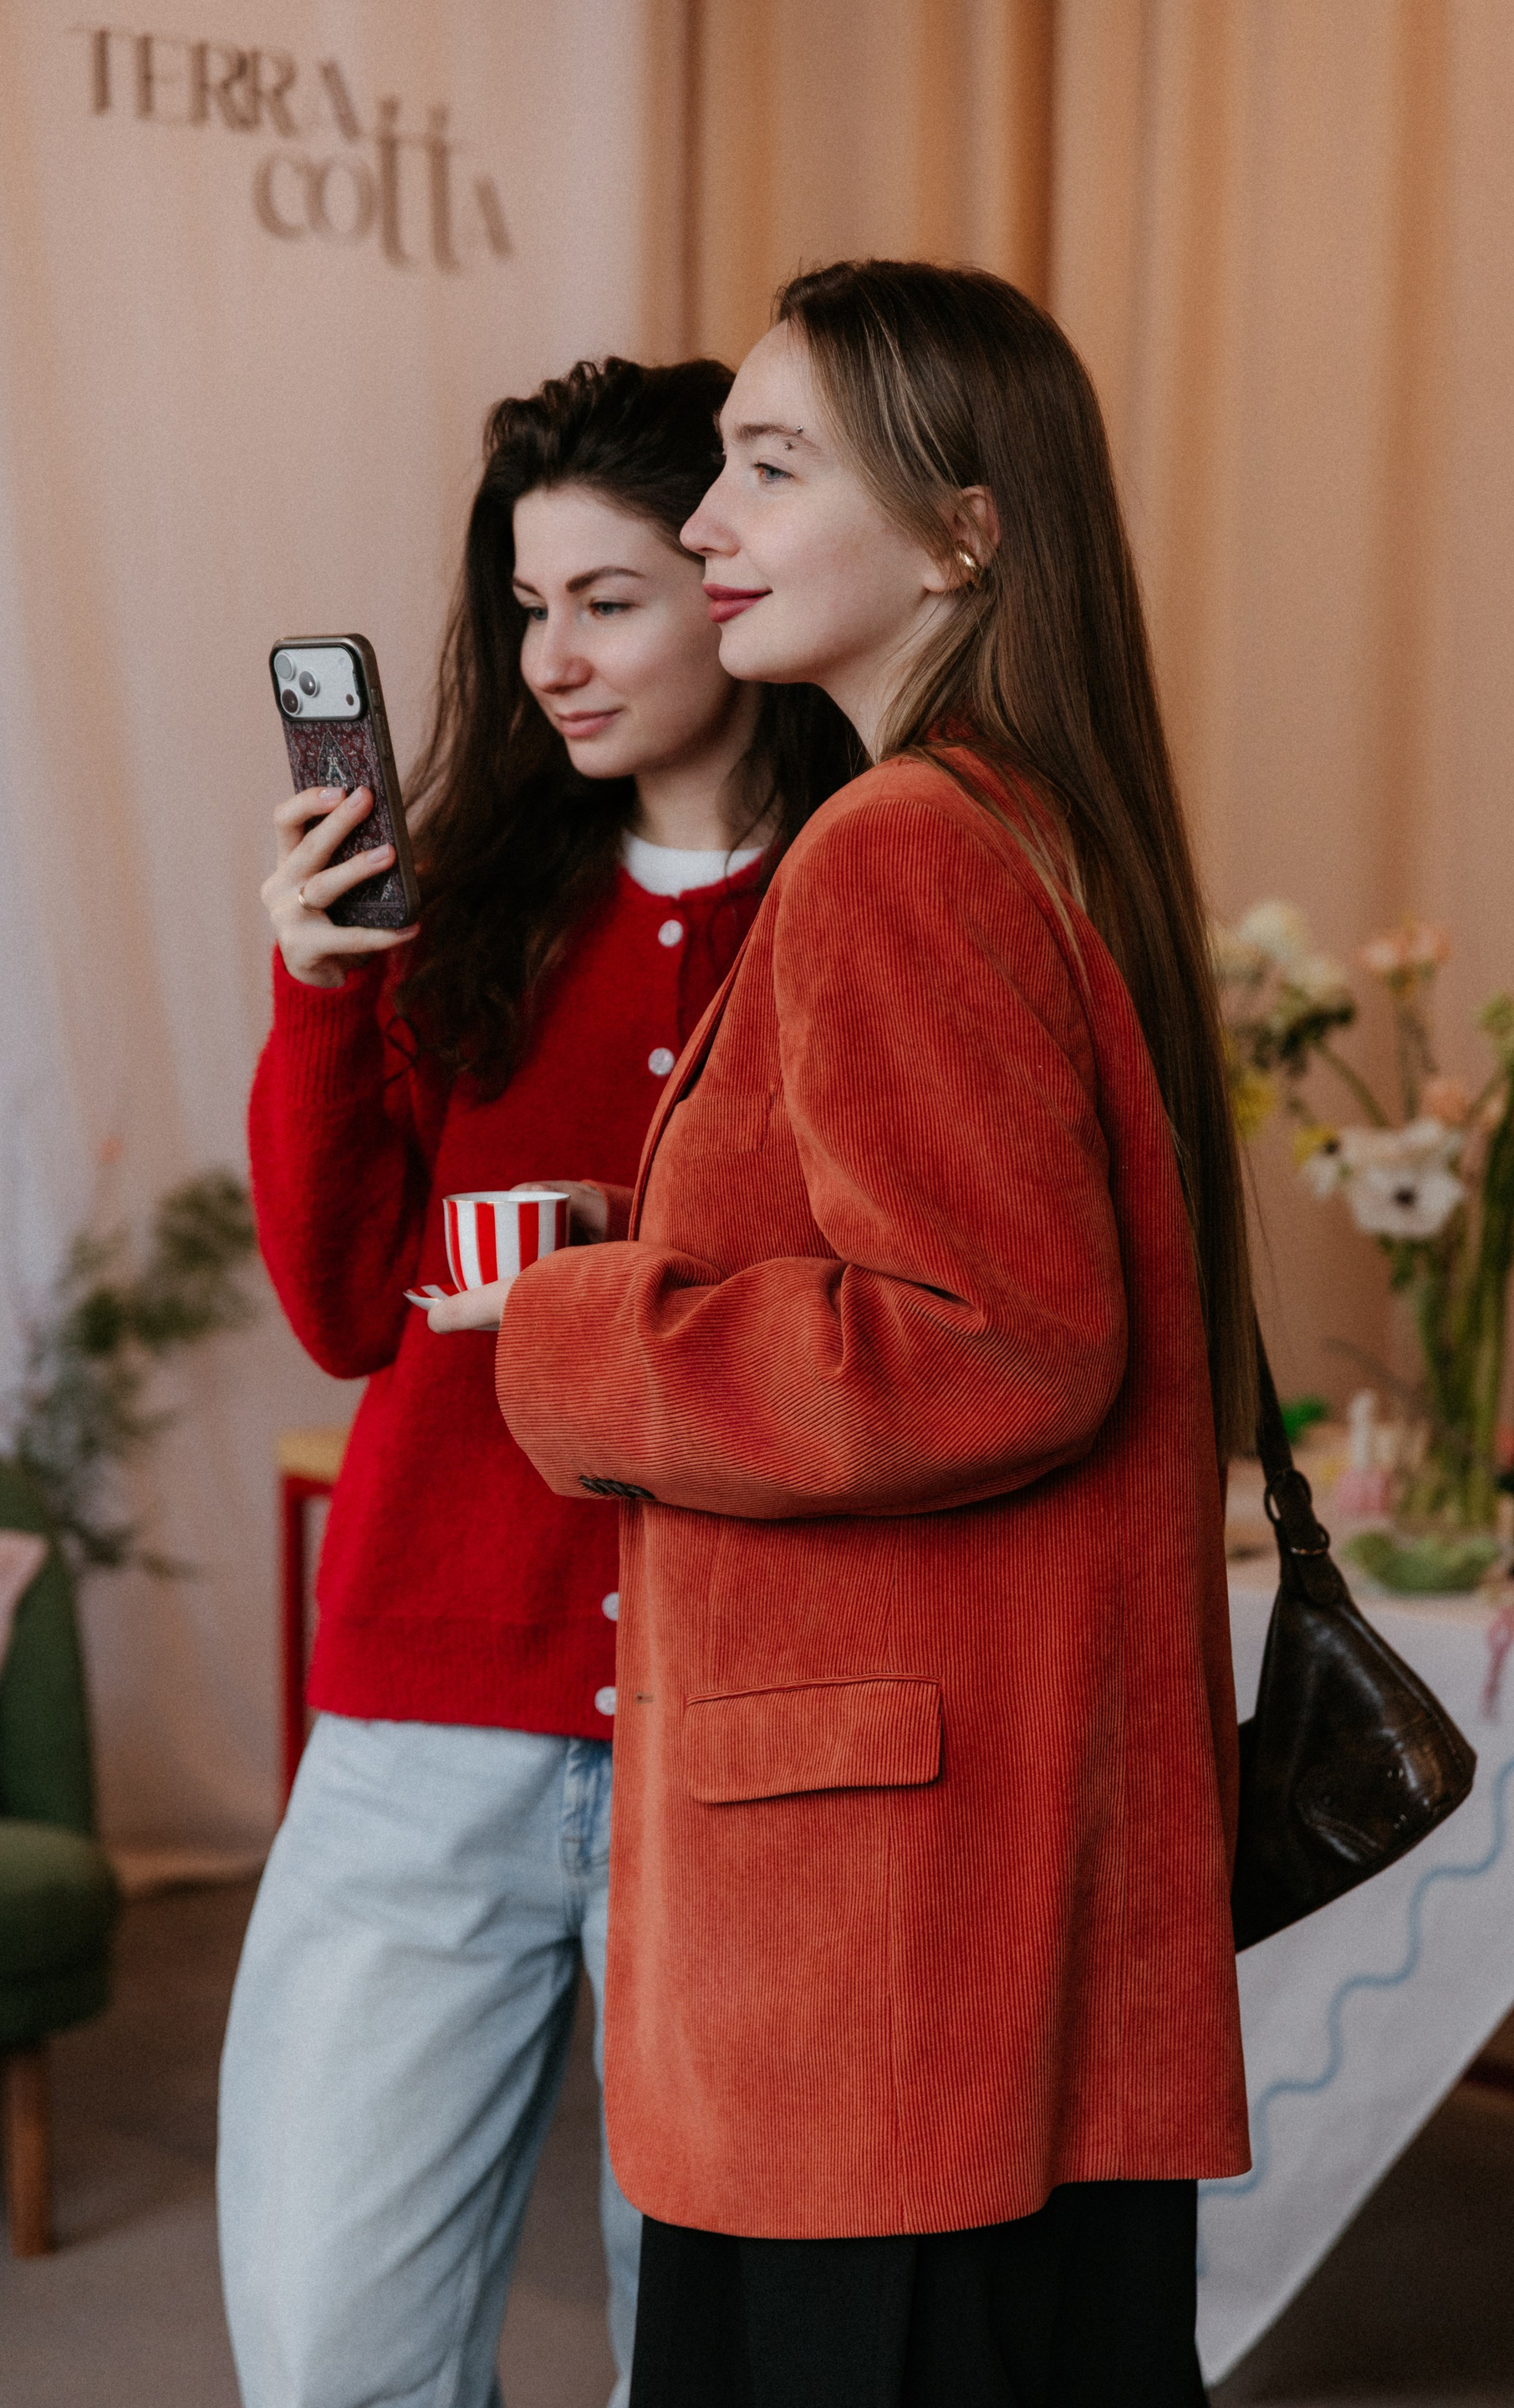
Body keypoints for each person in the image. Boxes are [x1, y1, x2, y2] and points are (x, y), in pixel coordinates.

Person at [434, 261, 1257, 2405]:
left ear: (965, 533)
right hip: (969, 1897)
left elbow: (995, 1341)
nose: (710, 522)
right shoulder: (1032, 825)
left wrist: (582, 1325)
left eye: (773, 468)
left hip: (875, 1939)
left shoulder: (902, 844)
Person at [217, 355, 859, 2408]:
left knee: (714, 2360)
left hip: (746, 1726)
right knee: (330, 2342)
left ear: (733, 583)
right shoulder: (467, 909)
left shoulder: (873, 898)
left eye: (607, 601)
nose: (551, 659)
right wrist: (321, 994)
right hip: (434, 1703)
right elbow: (343, 1307)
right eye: (523, 607)